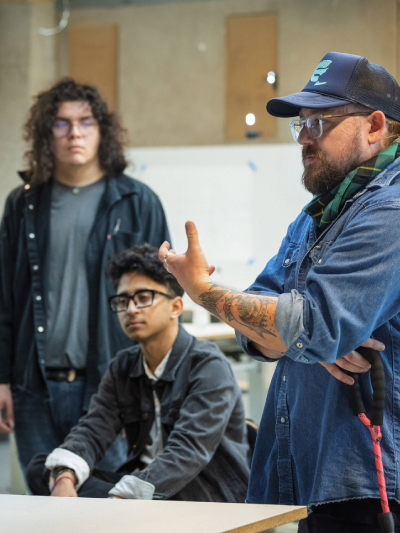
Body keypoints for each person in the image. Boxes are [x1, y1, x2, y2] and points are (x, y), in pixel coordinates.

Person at [158, 52, 400, 532]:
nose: (305, 138)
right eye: (301, 125)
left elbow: (310, 326)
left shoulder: (390, 212)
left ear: (375, 126)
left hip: (363, 482)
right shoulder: (315, 216)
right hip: (304, 476)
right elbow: (265, 324)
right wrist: (304, 339)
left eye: (320, 122)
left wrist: (203, 290)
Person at [0, 78, 170, 473]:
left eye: (86, 122)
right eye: (61, 123)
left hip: (112, 387)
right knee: (45, 509)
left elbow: (161, 300)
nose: (74, 132)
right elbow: (5, 299)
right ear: (46, 133)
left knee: (107, 506)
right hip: (33, 388)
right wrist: (2, 380)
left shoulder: (138, 201)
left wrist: (149, 389)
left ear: (102, 131)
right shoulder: (23, 204)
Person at [26, 244, 250, 501]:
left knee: (98, 493)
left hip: (205, 492)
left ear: (176, 307)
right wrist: (65, 478)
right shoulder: (124, 366)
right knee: (44, 469)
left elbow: (188, 453)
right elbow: (94, 429)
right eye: (123, 300)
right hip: (145, 488)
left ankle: (114, 508)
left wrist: (119, 499)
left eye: (144, 298)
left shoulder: (208, 366)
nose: (131, 309)